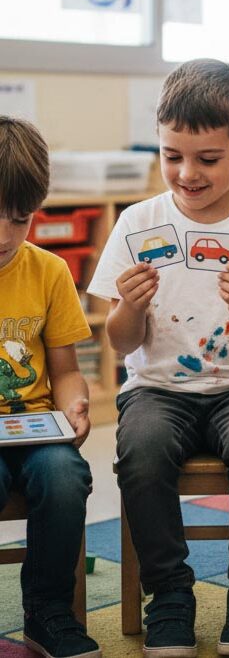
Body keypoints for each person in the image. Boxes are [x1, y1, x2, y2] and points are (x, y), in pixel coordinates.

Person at [87, 59, 229, 658]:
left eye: (208, 159)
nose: (187, 174)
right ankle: (170, 596)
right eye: (172, 155)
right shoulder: (137, 222)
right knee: (141, 453)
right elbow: (120, 342)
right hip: (157, 389)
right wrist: (128, 307)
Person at [0, 117, 100, 658]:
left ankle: (47, 611)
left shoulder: (50, 271)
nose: (3, 236)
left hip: (36, 424)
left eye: (19, 219)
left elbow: (64, 369)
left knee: (64, 477)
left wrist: (75, 409)